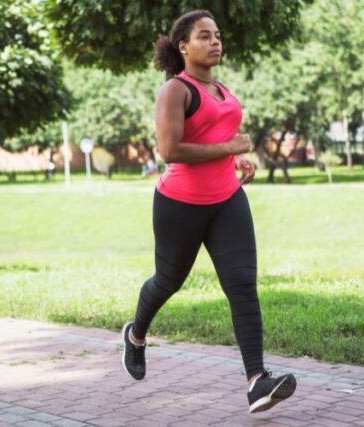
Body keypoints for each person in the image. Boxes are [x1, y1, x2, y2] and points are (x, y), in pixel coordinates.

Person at [119, 9, 295, 414]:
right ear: (183, 46)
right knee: (168, 281)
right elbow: (170, 150)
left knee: (242, 283)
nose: (215, 41)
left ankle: (257, 381)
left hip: (227, 199)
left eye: (217, 35)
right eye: (204, 36)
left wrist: (234, 158)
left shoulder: (220, 89)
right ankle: (135, 336)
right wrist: (230, 148)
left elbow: (215, 134)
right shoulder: (174, 91)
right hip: (180, 204)